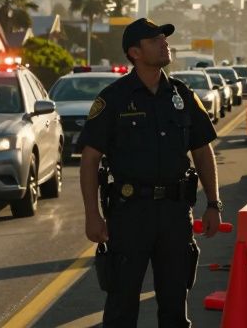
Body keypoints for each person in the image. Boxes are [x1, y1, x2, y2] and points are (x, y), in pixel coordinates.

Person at [80, 17, 223, 328]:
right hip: (130, 213)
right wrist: (92, 214)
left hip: (175, 212)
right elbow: (90, 158)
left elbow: (202, 150)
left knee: (175, 305)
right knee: (121, 305)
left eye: (164, 38)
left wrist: (213, 203)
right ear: (135, 52)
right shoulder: (114, 98)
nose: (164, 43)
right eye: (155, 40)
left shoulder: (182, 95)